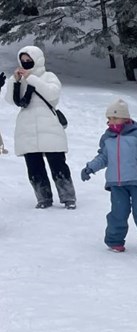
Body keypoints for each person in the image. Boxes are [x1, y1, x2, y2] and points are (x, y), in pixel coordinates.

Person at [80, 99, 137, 256]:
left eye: (114, 118)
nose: (110, 122)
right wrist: (90, 167)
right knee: (118, 212)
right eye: (109, 118)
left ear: (125, 118)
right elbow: (103, 157)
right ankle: (114, 241)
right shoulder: (107, 137)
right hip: (116, 184)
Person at [9, 46, 76, 209]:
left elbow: (52, 94)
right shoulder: (20, 78)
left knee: (58, 164)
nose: (25, 63)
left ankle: (68, 197)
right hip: (26, 126)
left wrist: (32, 78)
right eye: (23, 60)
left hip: (49, 124)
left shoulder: (48, 76)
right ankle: (43, 198)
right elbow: (11, 100)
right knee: (33, 166)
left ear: (37, 59)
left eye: (29, 60)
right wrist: (15, 82)